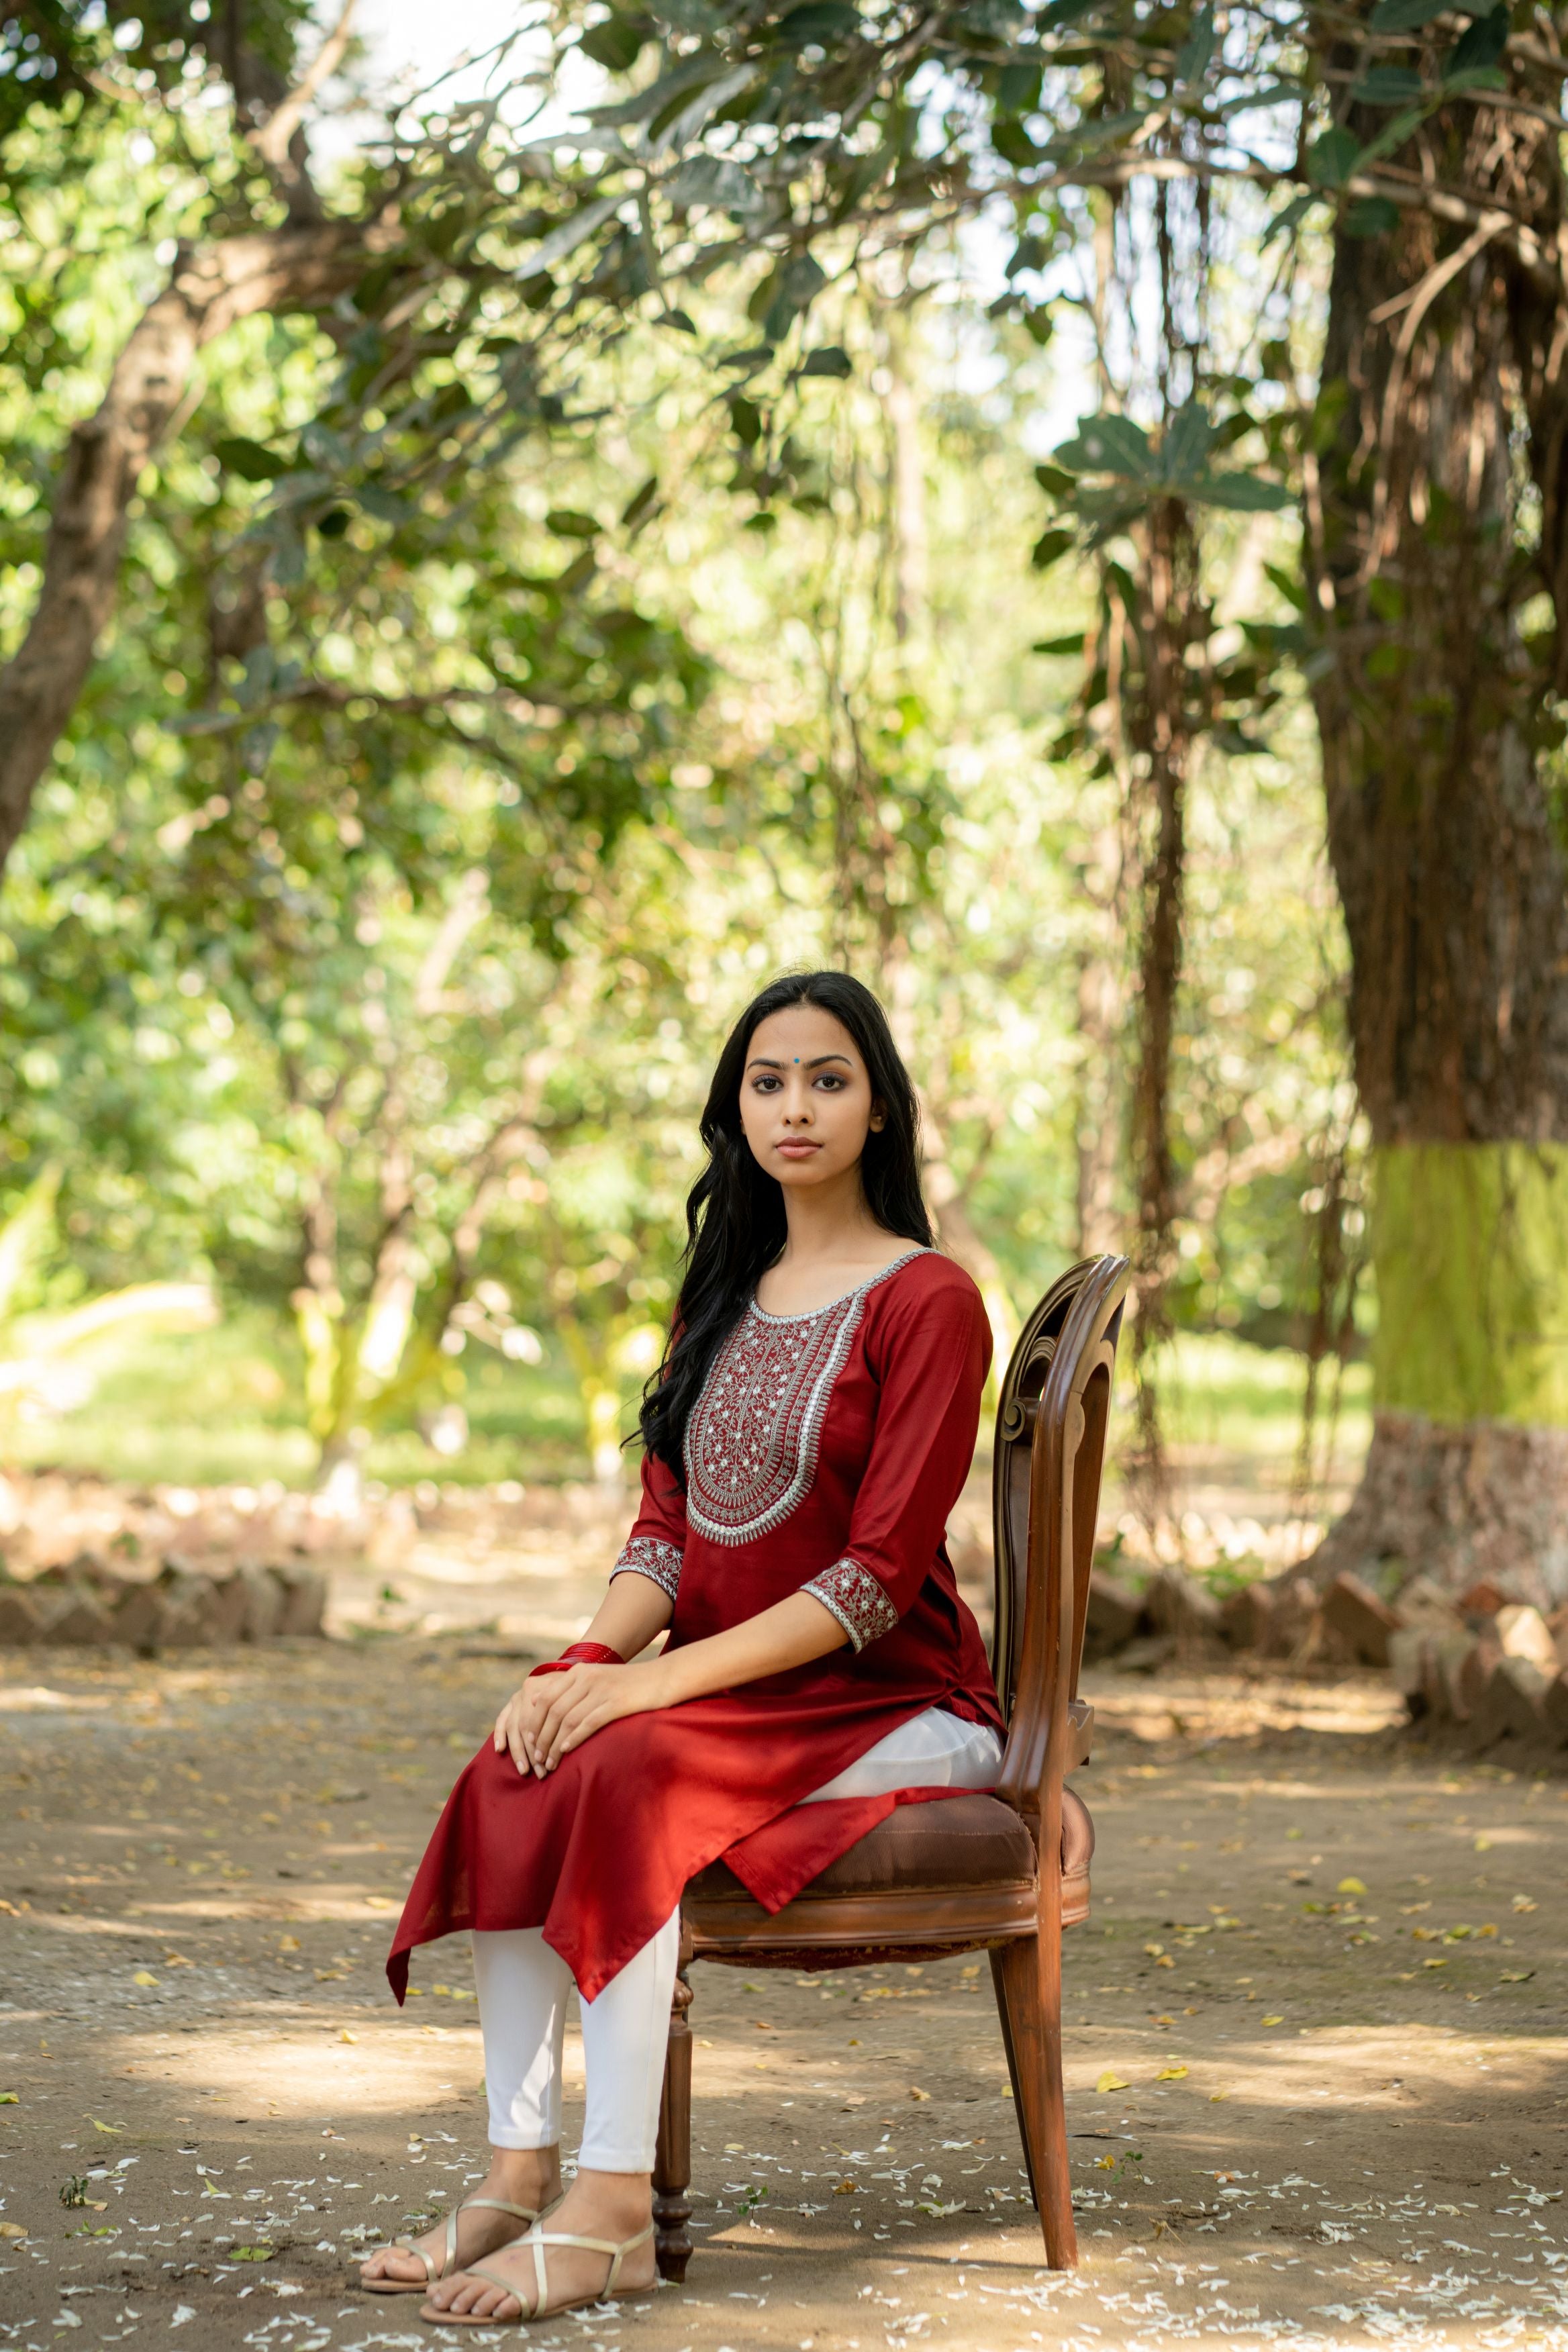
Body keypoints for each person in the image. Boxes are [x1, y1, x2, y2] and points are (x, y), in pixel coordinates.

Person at [360, 969, 1005, 2326]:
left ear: (879, 1107)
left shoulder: (927, 1299)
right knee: (519, 1759)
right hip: (732, 1694)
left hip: (900, 1699)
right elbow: (665, 1533)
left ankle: (612, 2213)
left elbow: (878, 1582)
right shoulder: (725, 1288)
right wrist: (583, 1669)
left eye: (829, 1079)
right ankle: (515, 2165)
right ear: (735, 1109)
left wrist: (640, 1696)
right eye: (767, 1082)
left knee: (632, 1772)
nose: (795, 1107)